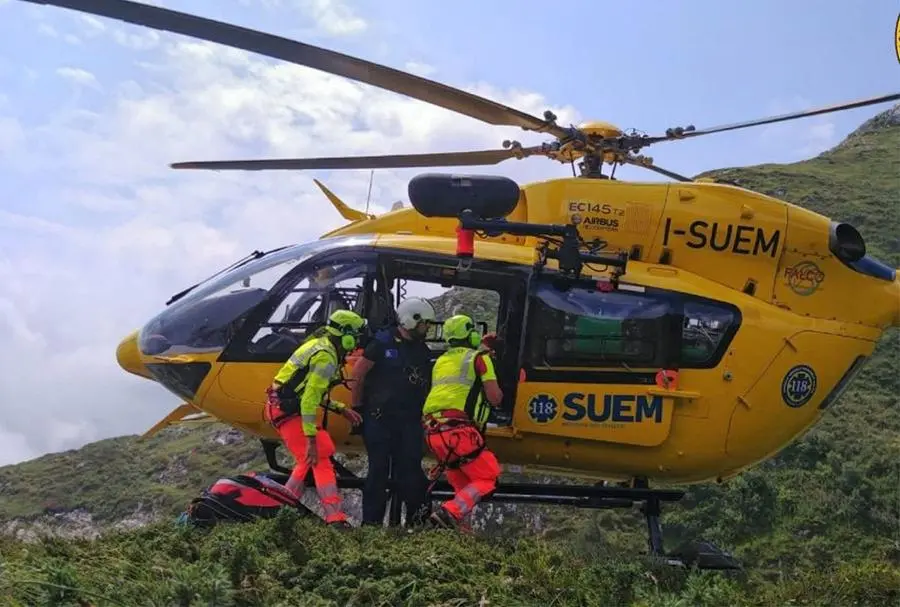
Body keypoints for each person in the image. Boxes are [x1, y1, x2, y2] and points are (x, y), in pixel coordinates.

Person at [264, 309, 366, 528]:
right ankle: (334, 517)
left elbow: (310, 393)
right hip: (289, 411)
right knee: (318, 455)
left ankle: (281, 511)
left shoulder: (318, 345)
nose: (357, 341)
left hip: (283, 408)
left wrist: (341, 409)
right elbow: (309, 400)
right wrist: (310, 439)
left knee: (310, 459)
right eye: (356, 335)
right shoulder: (326, 357)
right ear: (346, 335)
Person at [350, 297, 436, 526]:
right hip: (380, 421)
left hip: (408, 422)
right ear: (411, 320)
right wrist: (356, 409)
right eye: (424, 323)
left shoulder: (422, 351)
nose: (427, 328)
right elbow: (358, 375)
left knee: (410, 472)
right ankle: (371, 525)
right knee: (378, 473)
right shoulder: (381, 343)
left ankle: (417, 522)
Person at [420, 314, 504, 529]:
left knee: (463, 490)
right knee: (488, 478)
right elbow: (495, 398)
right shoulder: (480, 359)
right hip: (460, 433)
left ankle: (460, 539)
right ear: (470, 334)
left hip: (434, 433)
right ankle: (448, 513)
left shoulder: (441, 361)